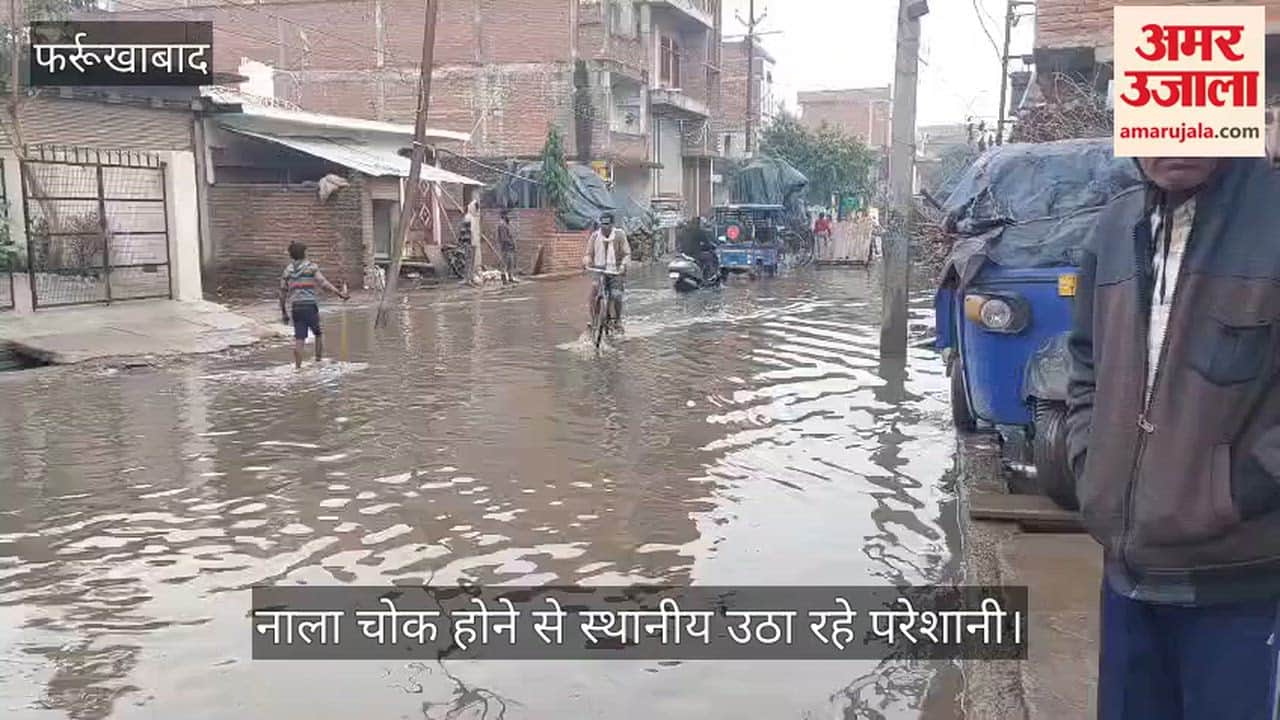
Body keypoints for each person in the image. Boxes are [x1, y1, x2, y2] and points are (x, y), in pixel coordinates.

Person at [1066, 155, 1280, 720]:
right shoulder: (1114, 229)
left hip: (1240, 584)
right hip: (1127, 578)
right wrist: (1092, 462)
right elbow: (1085, 361)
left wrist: (1239, 490)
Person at [280, 241, 348, 369]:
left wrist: (284, 312)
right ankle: (318, 361)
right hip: (309, 305)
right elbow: (323, 283)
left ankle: (298, 368)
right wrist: (339, 293)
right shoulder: (311, 267)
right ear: (304, 253)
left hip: (296, 307)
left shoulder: (288, 270)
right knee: (318, 333)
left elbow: (282, 292)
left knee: (299, 338)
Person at [581, 212, 631, 333]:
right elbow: (588, 254)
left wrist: (624, 265)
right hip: (600, 270)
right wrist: (586, 261)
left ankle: (617, 320)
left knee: (616, 295)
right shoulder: (595, 236)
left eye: (607, 224)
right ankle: (594, 320)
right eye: (602, 224)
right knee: (594, 291)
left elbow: (626, 253)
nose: (604, 227)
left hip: (616, 271)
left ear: (612, 224)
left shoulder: (620, 235)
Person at [497, 209, 518, 284]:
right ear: (504, 215)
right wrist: (511, 243)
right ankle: (504, 279)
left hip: (509, 247)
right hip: (506, 247)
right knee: (505, 263)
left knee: (510, 263)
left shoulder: (506, 224)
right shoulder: (502, 225)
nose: (509, 216)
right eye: (508, 215)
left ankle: (510, 277)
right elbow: (504, 238)